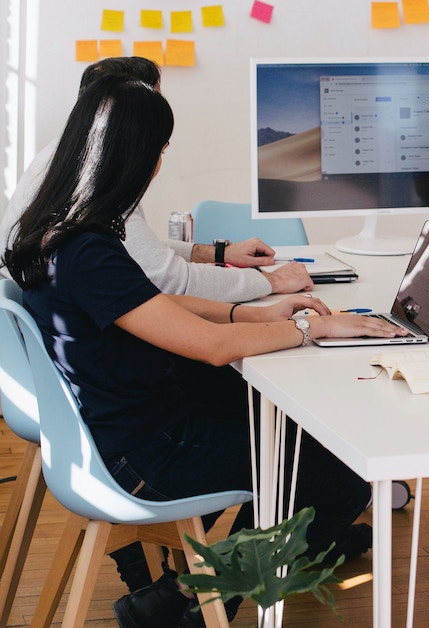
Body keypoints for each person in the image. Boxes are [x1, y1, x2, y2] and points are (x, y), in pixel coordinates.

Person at [3, 77, 403, 628]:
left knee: (285, 432)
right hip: (140, 455)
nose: (160, 164)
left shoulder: (59, 232)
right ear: (137, 157)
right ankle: (188, 608)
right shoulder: (88, 250)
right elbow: (213, 349)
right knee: (336, 477)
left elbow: (155, 304)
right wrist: (316, 330)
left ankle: (176, 599)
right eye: (160, 151)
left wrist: (254, 314)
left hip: (124, 426)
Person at [0, 56, 312, 302]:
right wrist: (270, 282)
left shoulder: (62, 160)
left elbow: (132, 250)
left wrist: (219, 254)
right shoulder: (95, 182)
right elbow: (170, 280)